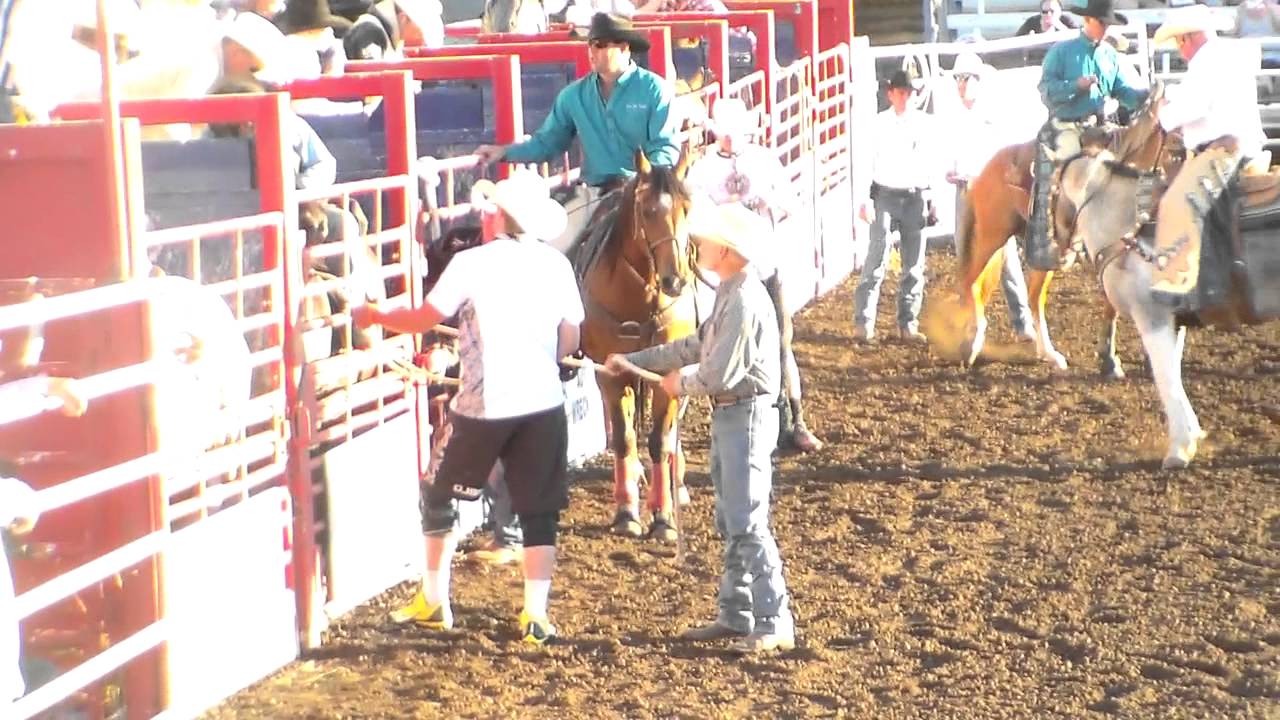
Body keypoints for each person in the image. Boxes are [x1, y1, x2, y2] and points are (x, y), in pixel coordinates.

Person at [354, 169, 583, 645]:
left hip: (483, 407)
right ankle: (535, 615)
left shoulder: (472, 263)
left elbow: (422, 319)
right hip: (543, 402)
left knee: (438, 494)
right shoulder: (556, 264)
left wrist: (374, 315)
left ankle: (435, 599)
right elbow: (570, 338)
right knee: (540, 512)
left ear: (498, 215)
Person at [605, 202, 794, 655]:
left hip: (744, 413)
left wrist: (679, 382)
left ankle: (773, 617)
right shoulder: (734, 293)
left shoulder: (743, 299)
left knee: (746, 518)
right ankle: (738, 612)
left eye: (707, 241)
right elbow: (695, 346)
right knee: (733, 517)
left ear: (726, 252)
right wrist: (635, 362)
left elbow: (717, 373)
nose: (698, 245)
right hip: (736, 415)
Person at [684, 98, 823, 453]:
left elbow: (791, 205)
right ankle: (741, 420)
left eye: (733, 133)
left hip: (763, 265)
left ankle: (794, 418)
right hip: (723, 275)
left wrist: (770, 201)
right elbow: (692, 219)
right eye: (724, 133)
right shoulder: (701, 171)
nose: (729, 140)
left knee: (779, 343)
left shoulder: (763, 161)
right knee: (723, 345)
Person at [474, 13, 680, 191]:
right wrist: (503, 152)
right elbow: (548, 143)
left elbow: (665, 148)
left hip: (645, 192)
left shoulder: (655, 89)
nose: (592, 51)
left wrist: (646, 180)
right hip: (595, 192)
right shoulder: (573, 95)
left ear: (624, 48)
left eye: (600, 45)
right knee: (561, 235)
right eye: (590, 44)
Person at [1151, 5, 1265, 297]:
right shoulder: (1224, 56)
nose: (1180, 49)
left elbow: (1194, 104)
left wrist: (1164, 116)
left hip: (1222, 151)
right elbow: (1198, 96)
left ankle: (1189, 284)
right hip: (1240, 146)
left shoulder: (1207, 61)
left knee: (1176, 202)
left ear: (1187, 38)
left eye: (1179, 42)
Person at [1027, 0, 1148, 268]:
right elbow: (1046, 91)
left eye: (1107, 25)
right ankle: (1060, 237)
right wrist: (1075, 86)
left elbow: (1123, 91)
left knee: (1127, 164)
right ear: (1089, 21)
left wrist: (1144, 97)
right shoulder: (1061, 52)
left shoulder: (1110, 56)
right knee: (1071, 172)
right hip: (1068, 124)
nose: (1105, 29)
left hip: (1101, 126)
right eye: (1102, 23)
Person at [944, 53, 1036, 342]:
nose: (960, 85)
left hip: (990, 193)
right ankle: (972, 321)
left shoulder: (994, 116)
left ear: (977, 81)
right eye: (958, 79)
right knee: (966, 257)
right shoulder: (953, 116)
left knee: (1005, 257)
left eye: (965, 79)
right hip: (964, 190)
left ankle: (1023, 324)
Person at [852, 70, 938, 345]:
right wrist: (864, 200)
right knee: (877, 258)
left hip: (914, 195)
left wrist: (932, 195)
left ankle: (907, 323)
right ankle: (864, 322)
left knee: (913, 265)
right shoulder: (878, 124)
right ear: (891, 94)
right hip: (885, 195)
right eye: (901, 92)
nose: (905, 97)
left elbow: (930, 161)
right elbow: (866, 162)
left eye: (909, 92)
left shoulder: (924, 124)